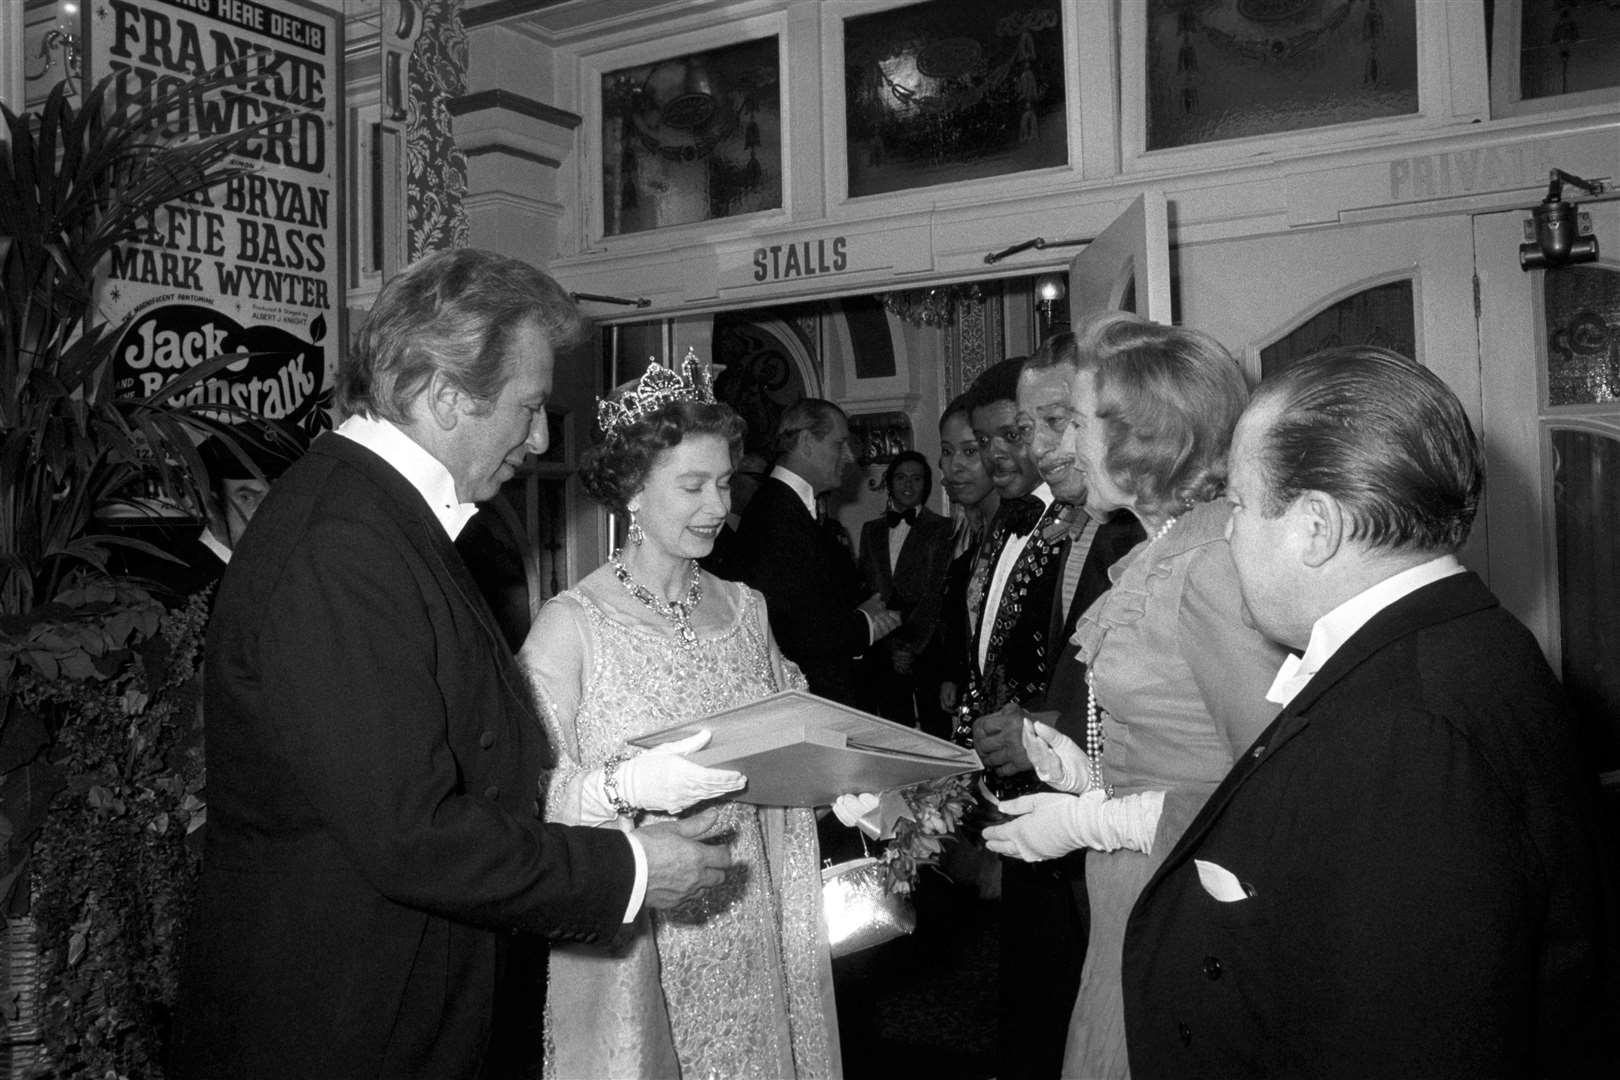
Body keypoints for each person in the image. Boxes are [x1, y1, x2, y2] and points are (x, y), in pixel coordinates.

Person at [176, 249, 731, 1080]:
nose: (540, 437)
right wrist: (635, 868)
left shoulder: (380, 519)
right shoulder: (343, 544)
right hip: (338, 1028)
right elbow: (412, 832)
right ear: (443, 396)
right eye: (530, 406)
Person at [1122, 347, 1618, 1079]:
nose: (1227, 533)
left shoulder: (1405, 730)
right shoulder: (1457, 637)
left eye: (1236, 504)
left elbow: (1402, 1041)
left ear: (1316, 526)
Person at [981, 312, 1288, 1080]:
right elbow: (1180, 747)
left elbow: (1276, 795)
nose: (1064, 444)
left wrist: (1091, 818)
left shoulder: (1209, 564)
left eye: (1078, 421)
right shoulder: (1163, 553)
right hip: (1137, 890)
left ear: (1140, 437)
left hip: (1190, 903)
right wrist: (1083, 773)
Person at [521, 350, 840, 1079]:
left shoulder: (747, 610)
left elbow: (796, 737)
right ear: (632, 488)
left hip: (753, 923)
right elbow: (532, 798)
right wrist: (626, 787)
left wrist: (848, 782)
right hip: (641, 934)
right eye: (693, 485)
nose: (720, 508)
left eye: (725, 483)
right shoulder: (572, 627)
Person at [974, 339, 1146, 1080]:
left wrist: (1047, 736)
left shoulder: (1143, 533)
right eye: (1028, 429)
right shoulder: (1078, 524)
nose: (1044, 450)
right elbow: (1075, 672)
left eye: (1059, 422)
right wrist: (1032, 727)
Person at [732, 398, 900, 706]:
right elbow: (794, 627)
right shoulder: (775, 513)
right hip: (808, 700)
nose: (849, 457)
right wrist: (866, 624)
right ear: (808, 442)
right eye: (840, 444)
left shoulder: (791, 507)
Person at [856, 450, 953, 724]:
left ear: (927, 484)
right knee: (894, 730)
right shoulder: (870, 530)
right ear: (889, 482)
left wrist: (909, 646)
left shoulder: (943, 528)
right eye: (900, 478)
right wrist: (890, 645)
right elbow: (866, 588)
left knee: (936, 731)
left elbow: (936, 593)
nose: (908, 485)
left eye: (916, 478)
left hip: (928, 644)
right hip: (883, 647)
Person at [701, 447, 769, 580]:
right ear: (734, 477)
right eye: (756, 478)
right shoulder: (704, 527)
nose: (759, 487)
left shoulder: (759, 529)